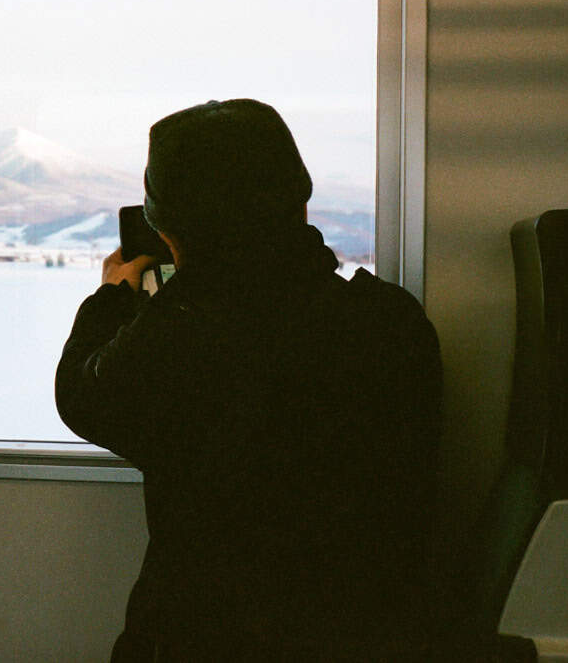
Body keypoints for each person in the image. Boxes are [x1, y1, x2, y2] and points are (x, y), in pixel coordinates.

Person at [55, 99, 442, 661]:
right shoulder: (392, 321)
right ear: (300, 197)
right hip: (372, 635)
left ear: (167, 227)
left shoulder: (179, 342)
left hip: (201, 638)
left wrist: (114, 296)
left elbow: (81, 396)